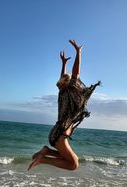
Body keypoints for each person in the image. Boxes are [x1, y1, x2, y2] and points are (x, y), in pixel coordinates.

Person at [28, 40, 100, 171]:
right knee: (73, 165)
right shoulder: (71, 90)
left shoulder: (62, 92)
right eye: (75, 81)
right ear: (71, 83)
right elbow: (76, 73)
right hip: (60, 134)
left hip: (57, 132)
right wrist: (78, 52)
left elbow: (64, 77)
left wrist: (63, 63)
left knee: (74, 160)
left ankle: (46, 151)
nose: (78, 82)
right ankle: (43, 158)